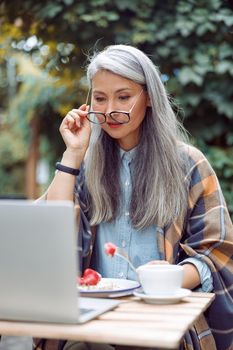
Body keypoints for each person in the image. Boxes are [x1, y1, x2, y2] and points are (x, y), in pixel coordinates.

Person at [44, 45, 233, 350]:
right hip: (93, 318)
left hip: (162, 319)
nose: (108, 111)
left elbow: (219, 252)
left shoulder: (189, 164)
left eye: (123, 96)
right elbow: (49, 236)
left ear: (148, 99)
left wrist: (170, 277)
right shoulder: (85, 164)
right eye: (100, 98)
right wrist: (73, 153)